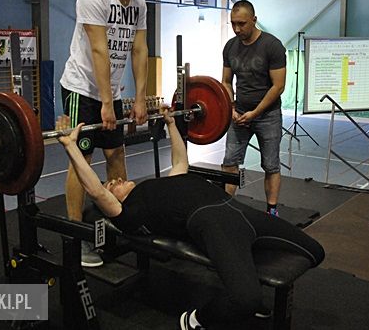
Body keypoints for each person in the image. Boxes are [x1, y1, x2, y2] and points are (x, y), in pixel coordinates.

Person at [56, 108, 324, 330]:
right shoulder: (128, 212)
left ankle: (245, 276)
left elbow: (180, 161)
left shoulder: (156, 186)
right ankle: (195, 320)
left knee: (315, 251)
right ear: (112, 200)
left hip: (237, 209)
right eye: (112, 185)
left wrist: (171, 124)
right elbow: (93, 188)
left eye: (113, 179)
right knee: (247, 301)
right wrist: (71, 147)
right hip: (211, 221)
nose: (115, 180)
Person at [59, 0, 164, 267]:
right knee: (82, 159)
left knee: (117, 155)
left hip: (112, 92)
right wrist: (106, 102)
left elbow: (139, 50)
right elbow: (99, 50)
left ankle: (120, 224)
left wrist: (141, 99)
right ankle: (76, 238)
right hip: (82, 89)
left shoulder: (139, 2)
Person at [220, 0, 287, 216]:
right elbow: (226, 81)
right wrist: (230, 108)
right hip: (238, 114)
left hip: (267, 115)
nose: (237, 29)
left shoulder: (272, 46)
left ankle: (272, 210)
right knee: (229, 162)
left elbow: (278, 86)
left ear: (254, 20)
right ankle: (225, 207)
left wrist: (255, 113)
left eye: (242, 23)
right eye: (233, 24)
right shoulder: (230, 46)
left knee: (270, 165)